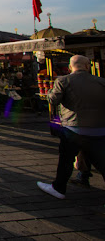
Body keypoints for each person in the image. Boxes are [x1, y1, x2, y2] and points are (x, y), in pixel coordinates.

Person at [37, 55, 105, 199]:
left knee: (66, 160)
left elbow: (53, 100)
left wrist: (49, 92)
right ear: (88, 66)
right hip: (98, 128)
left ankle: (59, 188)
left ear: (70, 66)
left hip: (73, 128)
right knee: (101, 161)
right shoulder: (101, 82)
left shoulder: (63, 81)